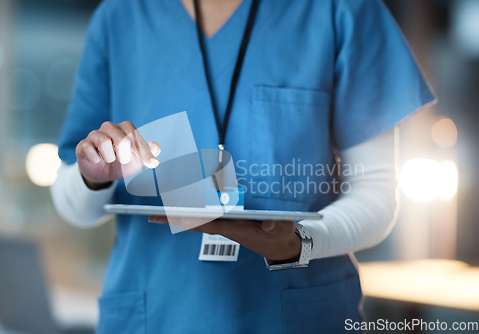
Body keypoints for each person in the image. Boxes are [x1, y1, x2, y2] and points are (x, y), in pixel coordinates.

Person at [51, 0, 435, 332]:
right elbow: (73, 206)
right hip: (153, 316)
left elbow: (377, 192)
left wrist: (300, 242)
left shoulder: (340, 9)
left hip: (294, 318)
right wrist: (93, 176)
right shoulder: (121, 16)